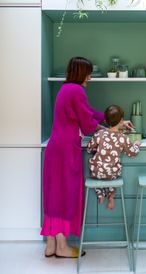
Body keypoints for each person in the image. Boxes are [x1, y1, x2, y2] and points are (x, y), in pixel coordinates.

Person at [41, 57, 133, 258]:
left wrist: (116, 121)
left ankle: (51, 245)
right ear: (82, 73)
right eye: (89, 73)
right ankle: (63, 247)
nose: (90, 77)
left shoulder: (66, 89)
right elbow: (88, 124)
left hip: (55, 147)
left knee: (54, 194)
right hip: (66, 149)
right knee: (65, 194)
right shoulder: (77, 91)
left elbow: (90, 112)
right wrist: (111, 129)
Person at [87, 105, 141, 210]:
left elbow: (89, 149)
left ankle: (100, 194)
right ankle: (111, 195)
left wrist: (98, 149)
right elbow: (133, 153)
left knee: (98, 176)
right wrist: (137, 144)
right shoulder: (123, 138)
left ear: (106, 121)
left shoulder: (99, 134)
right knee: (112, 175)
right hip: (112, 173)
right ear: (121, 120)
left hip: (97, 171)